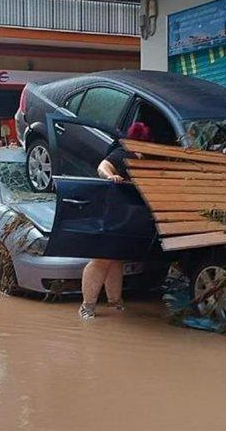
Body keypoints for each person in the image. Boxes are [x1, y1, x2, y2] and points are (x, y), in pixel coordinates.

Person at [79, 122, 152, 319]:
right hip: (110, 212)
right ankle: (87, 306)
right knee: (102, 258)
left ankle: (115, 303)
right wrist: (111, 177)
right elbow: (102, 167)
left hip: (127, 215)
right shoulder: (122, 153)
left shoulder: (146, 158)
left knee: (116, 258)